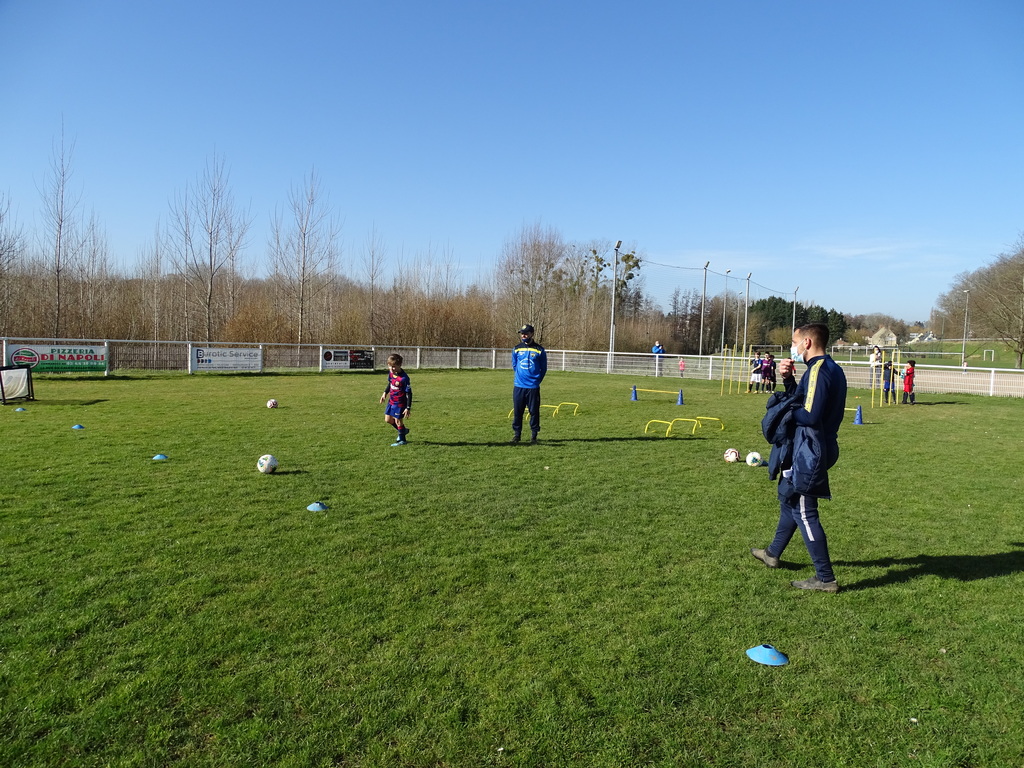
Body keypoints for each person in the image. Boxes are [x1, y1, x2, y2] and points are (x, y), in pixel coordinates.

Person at [750, 322, 847, 593]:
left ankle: (825, 578)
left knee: (805, 511)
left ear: (807, 342)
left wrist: (784, 410)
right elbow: (807, 401)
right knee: (790, 501)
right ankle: (772, 553)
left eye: (794, 342)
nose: (792, 347)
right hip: (816, 446)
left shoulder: (818, 370)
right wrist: (789, 381)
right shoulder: (831, 368)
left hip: (809, 450)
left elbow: (810, 415)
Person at [511, 324, 547, 444]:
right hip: (519, 386)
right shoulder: (516, 349)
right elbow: (515, 365)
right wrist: (520, 378)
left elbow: (543, 368)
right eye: (522, 333)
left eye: (526, 333)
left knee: (534, 412)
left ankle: (534, 436)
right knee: (518, 412)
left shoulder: (539, 350)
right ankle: (517, 435)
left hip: (533, 387)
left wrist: (536, 381)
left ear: (531, 334)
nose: (523, 335)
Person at [379, 353, 412, 446]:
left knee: (398, 421)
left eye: (394, 366)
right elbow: (390, 383)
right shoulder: (391, 373)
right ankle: (403, 430)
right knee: (388, 419)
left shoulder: (404, 378)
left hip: (400, 403)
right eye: (390, 366)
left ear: (399, 365)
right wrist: (385, 393)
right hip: (391, 401)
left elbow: (409, 393)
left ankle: (402, 440)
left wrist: (408, 408)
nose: (391, 368)